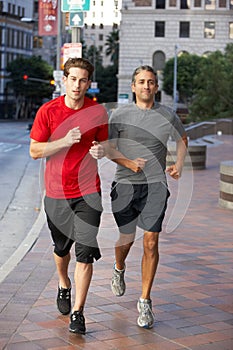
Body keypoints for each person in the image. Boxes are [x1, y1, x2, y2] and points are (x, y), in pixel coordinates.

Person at [29, 57, 108, 335]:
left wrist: (101, 151)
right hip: (57, 194)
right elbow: (35, 151)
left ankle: (78, 312)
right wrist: (63, 141)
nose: (77, 84)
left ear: (89, 82)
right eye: (72, 79)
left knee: (85, 252)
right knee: (62, 249)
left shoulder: (97, 112)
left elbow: (104, 144)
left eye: (83, 80)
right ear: (64, 80)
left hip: (88, 192)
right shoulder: (48, 111)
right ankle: (64, 283)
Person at [106, 65, 188, 329]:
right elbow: (109, 147)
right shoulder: (120, 114)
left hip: (155, 186)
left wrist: (179, 164)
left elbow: (182, 138)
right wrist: (128, 163)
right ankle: (119, 268)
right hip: (125, 185)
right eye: (141, 81)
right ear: (133, 86)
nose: (146, 86)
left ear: (156, 86)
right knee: (126, 239)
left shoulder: (167, 115)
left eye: (151, 82)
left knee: (151, 242)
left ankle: (145, 301)